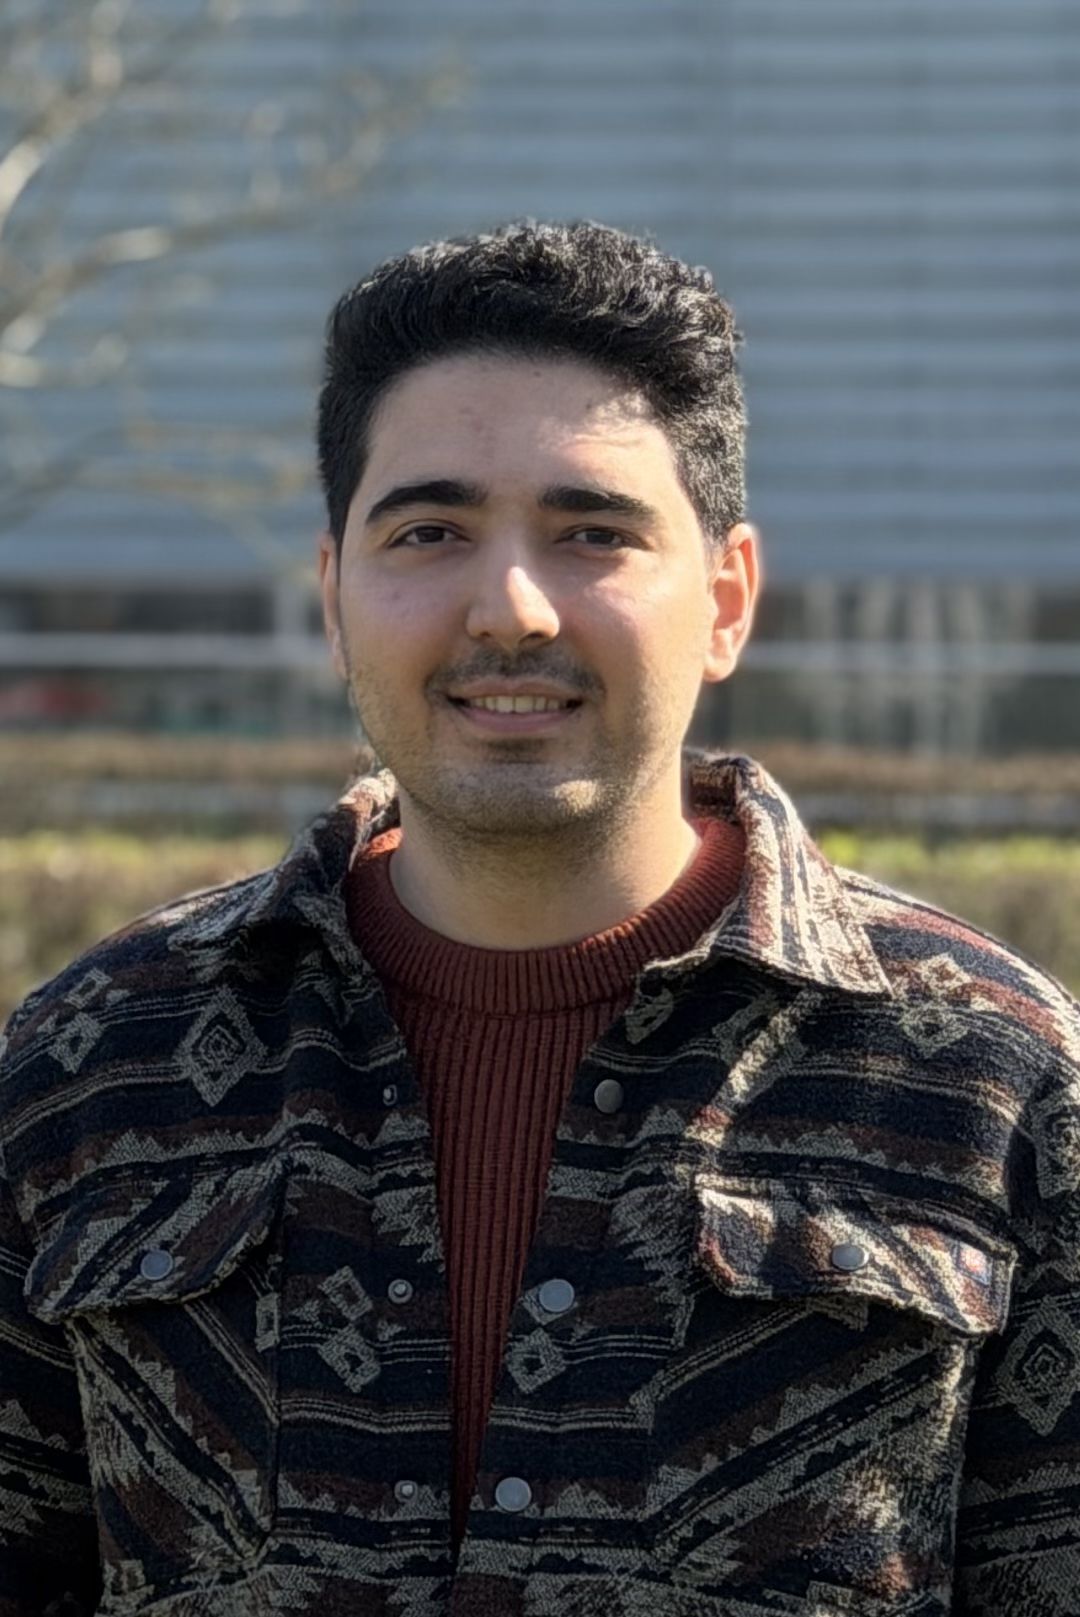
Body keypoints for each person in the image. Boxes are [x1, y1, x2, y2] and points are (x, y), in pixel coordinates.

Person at [1, 220, 1078, 1617]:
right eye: (430, 532)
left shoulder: (994, 1079)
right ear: (334, 597)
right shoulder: (92, 1067)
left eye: (593, 535)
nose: (510, 608)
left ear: (727, 600)